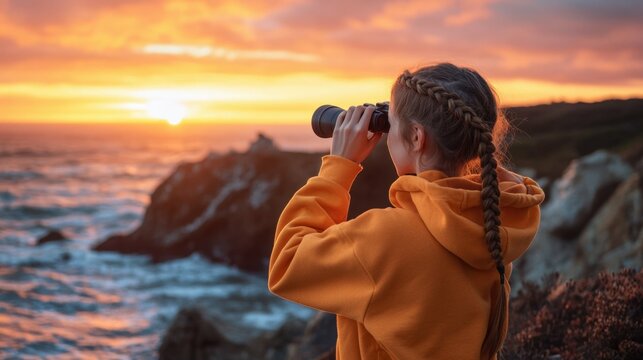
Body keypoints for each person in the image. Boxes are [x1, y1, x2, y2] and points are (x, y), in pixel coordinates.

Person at [268, 62, 545, 359]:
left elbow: (287, 263)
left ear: (416, 137)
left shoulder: (385, 238)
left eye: (390, 123)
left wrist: (339, 166)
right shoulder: (491, 222)